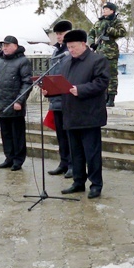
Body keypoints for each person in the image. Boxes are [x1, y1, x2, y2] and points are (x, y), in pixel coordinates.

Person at [55, 29, 110, 199]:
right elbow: (62, 83)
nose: (71, 50)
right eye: (69, 47)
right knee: (76, 152)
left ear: (83, 44)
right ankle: (78, 182)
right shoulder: (66, 62)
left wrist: (80, 89)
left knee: (91, 153)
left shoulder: (97, 60)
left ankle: (96, 184)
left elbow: (102, 82)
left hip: (90, 115)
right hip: (70, 114)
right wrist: (51, 91)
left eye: (74, 47)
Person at [0, 35, 32, 171]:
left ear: (15, 46)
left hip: (15, 104)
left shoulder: (23, 61)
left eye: (7, 45)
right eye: (3, 46)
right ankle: (9, 158)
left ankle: (18, 160)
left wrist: (20, 101)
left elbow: (27, 83)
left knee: (17, 134)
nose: (5, 48)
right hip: (2, 103)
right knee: (6, 133)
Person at [46, 20, 73, 178]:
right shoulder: (56, 51)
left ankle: (72, 164)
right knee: (61, 135)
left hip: (67, 99)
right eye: (57, 34)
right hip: (55, 100)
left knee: (69, 136)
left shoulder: (71, 52)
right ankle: (63, 162)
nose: (59, 37)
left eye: (61, 34)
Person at [88, 1, 127, 107]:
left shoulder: (115, 21)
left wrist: (110, 30)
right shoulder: (98, 22)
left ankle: (111, 97)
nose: (104, 10)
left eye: (107, 9)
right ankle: (103, 96)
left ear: (112, 11)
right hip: (99, 52)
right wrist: (92, 44)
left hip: (111, 53)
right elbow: (90, 34)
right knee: (101, 75)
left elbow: (122, 32)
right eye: (104, 9)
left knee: (112, 76)